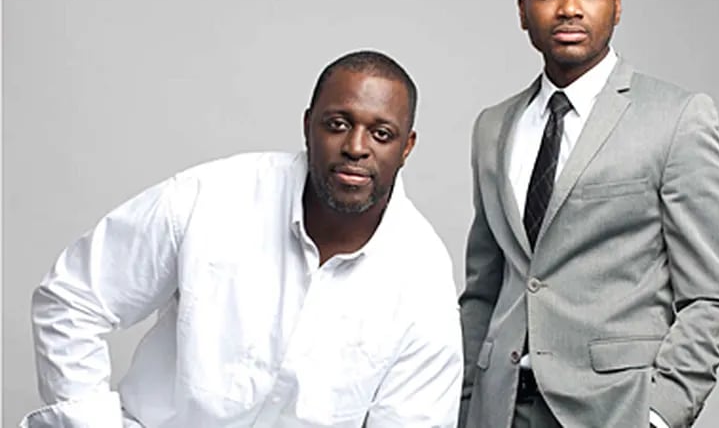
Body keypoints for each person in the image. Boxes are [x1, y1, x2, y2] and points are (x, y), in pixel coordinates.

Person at [23, 50, 463, 427]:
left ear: (407, 147)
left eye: (381, 134)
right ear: (308, 125)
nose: (356, 147)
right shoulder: (212, 197)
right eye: (337, 124)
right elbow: (73, 299)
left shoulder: (422, 278)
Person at [458, 0, 719, 428]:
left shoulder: (677, 118)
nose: (569, 8)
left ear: (616, 4)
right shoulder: (492, 127)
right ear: (523, 10)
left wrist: (660, 414)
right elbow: (484, 289)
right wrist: (463, 402)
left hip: (614, 409)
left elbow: (710, 297)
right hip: (498, 409)